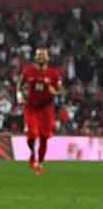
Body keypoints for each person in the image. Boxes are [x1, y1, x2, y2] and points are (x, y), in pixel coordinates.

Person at [17, 47, 62, 175]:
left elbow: (60, 90)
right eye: (39, 55)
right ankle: (32, 154)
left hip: (46, 109)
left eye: (43, 55)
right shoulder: (28, 71)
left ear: (48, 57)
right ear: (35, 57)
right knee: (32, 134)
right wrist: (19, 96)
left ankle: (40, 163)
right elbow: (19, 85)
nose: (41, 57)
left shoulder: (54, 73)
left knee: (44, 137)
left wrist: (55, 92)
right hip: (31, 107)